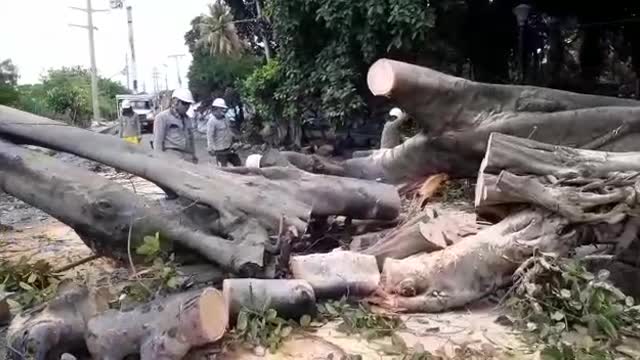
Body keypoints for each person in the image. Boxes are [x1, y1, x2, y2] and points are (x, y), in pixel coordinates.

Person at [152, 88, 198, 164]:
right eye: (184, 103)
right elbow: (158, 142)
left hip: (187, 157)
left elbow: (191, 139)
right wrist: (159, 161)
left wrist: (194, 155)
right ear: (175, 102)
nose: (187, 107)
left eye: (188, 104)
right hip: (172, 157)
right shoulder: (162, 117)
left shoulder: (187, 119)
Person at [206, 98, 241, 167]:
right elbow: (210, 136)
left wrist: (235, 140)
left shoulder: (226, 118)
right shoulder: (212, 121)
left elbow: (229, 130)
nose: (223, 110)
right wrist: (210, 147)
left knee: (238, 163)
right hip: (219, 150)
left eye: (223, 109)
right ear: (216, 109)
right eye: (221, 109)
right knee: (223, 168)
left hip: (228, 147)